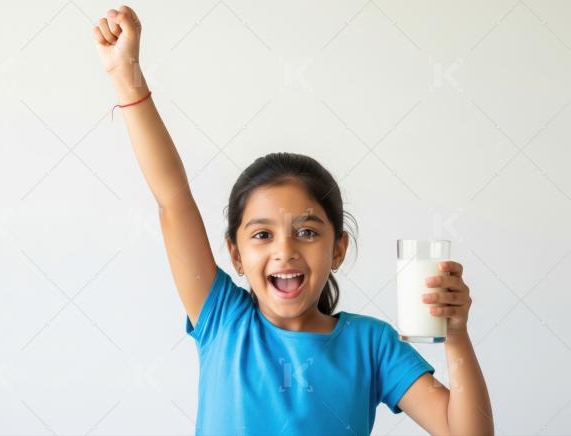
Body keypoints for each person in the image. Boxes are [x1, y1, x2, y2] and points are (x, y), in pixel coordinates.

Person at [92, 6, 493, 435]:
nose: (285, 250)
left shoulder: (372, 345)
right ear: (236, 254)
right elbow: (173, 198)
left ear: (338, 248)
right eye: (262, 234)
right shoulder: (223, 319)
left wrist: (455, 336)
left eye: (306, 232)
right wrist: (126, 77)